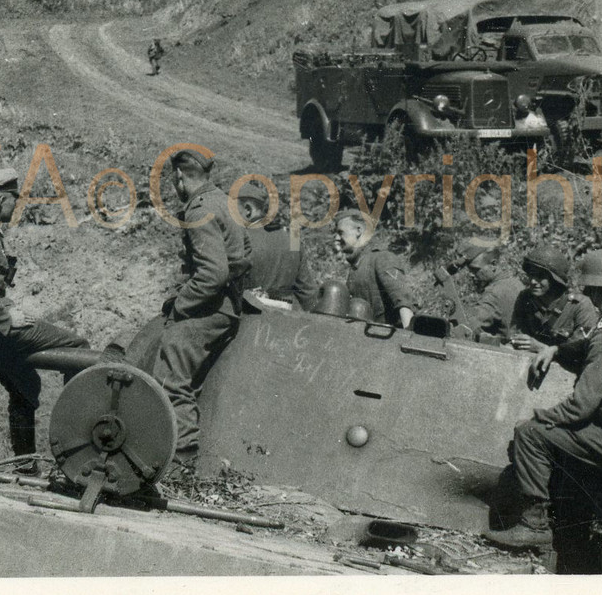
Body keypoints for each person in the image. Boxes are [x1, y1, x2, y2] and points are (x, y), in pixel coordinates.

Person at [482, 249, 602, 574]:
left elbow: (581, 405)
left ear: (594, 289)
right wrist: (557, 350)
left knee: (530, 434)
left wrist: (544, 417)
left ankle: (534, 525)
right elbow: (591, 347)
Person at [0, 167, 90, 474]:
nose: (15, 206)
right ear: (0, 199)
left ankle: (25, 464)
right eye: (14, 199)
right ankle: (80, 440)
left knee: (26, 383)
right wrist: (8, 318)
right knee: (80, 348)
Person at [151, 150, 251, 468]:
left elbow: (212, 273)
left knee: (171, 368)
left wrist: (181, 305)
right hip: (228, 303)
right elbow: (245, 256)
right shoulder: (224, 200)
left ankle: (181, 461)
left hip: (212, 307)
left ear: (180, 177)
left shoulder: (198, 210)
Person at [237, 181, 318, 310]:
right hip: (283, 320)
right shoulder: (292, 241)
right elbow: (309, 295)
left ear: (247, 210)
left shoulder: (240, 241)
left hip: (246, 318)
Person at [509, 242, 598, 353]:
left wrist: (542, 349)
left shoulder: (579, 305)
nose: (533, 281)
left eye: (541, 276)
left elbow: (582, 353)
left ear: (555, 280)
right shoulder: (525, 297)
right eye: (531, 274)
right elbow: (515, 335)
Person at [333, 210, 415, 329]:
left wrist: (408, 338)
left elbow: (404, 302)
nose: (337, 238)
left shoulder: (382, 258)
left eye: (341, 232)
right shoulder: (357, 267)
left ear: (358, 231)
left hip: (385, 340)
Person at [436, 244, 525, 342]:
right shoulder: (516, 283)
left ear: (493, 264)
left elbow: (468, 327)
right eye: (470, 270)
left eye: (476, 269)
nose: (471, 274)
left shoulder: (494, 293)